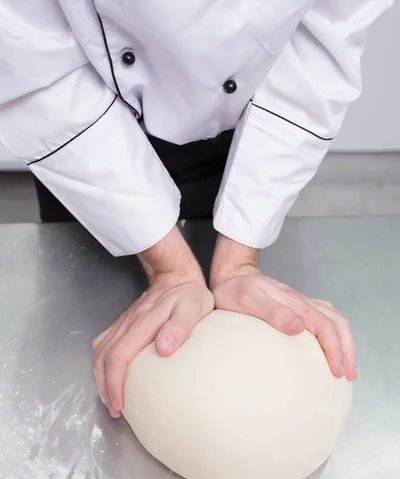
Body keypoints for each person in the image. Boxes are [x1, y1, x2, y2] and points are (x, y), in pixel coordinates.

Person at [0, 1, 393, 418]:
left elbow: (320, 44)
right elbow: (32, 66)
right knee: (77, 327)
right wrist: (170, 269)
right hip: (87, 129)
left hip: (242, 127)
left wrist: (239, 260)